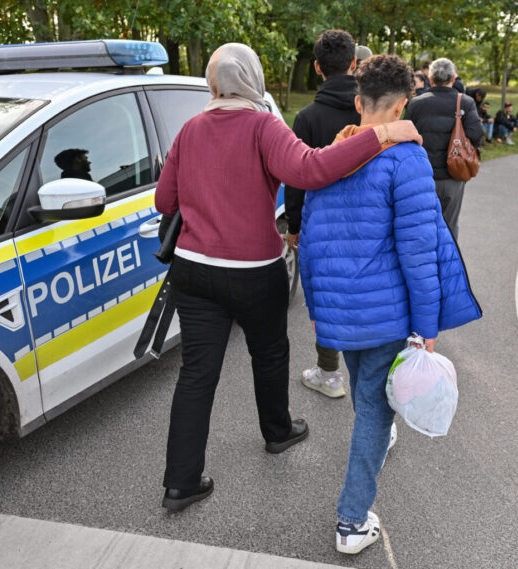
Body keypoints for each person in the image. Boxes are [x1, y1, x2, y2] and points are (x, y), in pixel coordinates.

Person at [154, 42, 423, 512]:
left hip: (193, 270)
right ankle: (277, 432)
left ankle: (181, 481)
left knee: (197, 374)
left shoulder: (190, 128)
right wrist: (381, 136)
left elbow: (164, 201)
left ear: (213, 81)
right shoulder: (262, 125)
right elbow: (309, 169)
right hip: (253, 271)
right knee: (270, 353)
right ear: (253, 78)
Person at [299, 54, 482, 556]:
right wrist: (427, 325)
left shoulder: (330, 155)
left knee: (369, 401)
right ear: (405, 104)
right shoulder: (405, 159)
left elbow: (310, 241)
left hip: (341, 309)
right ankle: (352, 520)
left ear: (358, 104)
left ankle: (372, 453)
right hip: (386, 312)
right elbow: (419, 250)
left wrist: (318, 308)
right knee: (375, 415)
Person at [284, 29, 360, 399]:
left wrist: (294, 227)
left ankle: (330, 373)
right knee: (368, 294)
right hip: (370, 224)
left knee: (327, 296)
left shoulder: (307, 118)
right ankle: (369, 377)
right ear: (354, 63)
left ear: (316, 68)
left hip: (323, 225)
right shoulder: (373, 111)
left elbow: (296, 179)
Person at [406, 57, 482, 240]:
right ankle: (449, 264)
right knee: (449, 224)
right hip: (453, 175)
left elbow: (405, 136)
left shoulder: (416, 103)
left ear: (430, 79)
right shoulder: (465, 102)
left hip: (423, 175)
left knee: (422, 223)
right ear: (453, 79)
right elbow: (476, 133)